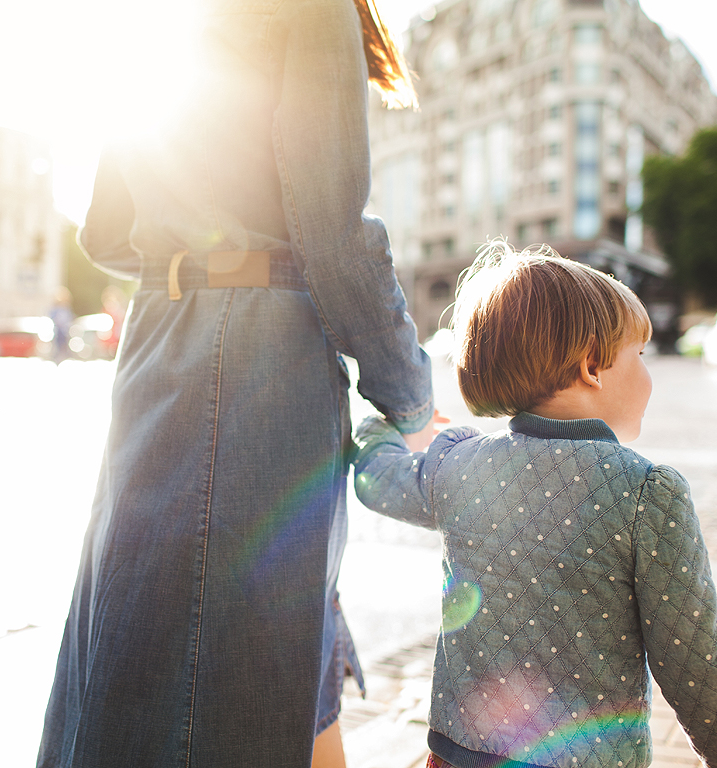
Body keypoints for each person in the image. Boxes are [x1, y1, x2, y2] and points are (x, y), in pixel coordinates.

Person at [36, 0, 434, 765]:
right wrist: (413, 400)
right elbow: (333, 229)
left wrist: (184, 261)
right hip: (257, 355)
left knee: (134, 639)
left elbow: (105, 233)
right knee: (237, 668)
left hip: (157, 343)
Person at [353, 242, 717, 768]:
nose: (648, 374)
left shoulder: (458, 467)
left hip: (462, 754)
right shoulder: (646, 493)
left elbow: (379, 480)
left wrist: (378, 427)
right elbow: (695, 655)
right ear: (592, 365)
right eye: (638, 356)